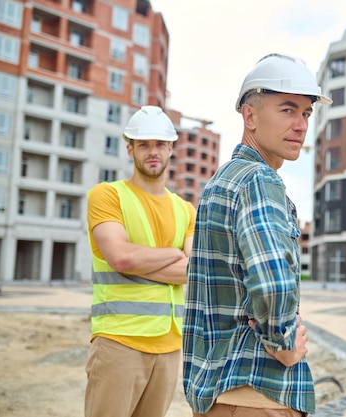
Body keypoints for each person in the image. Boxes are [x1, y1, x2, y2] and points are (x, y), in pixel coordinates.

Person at [182, 53, 332, 417]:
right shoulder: (258, 180)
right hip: (256, 389)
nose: (301, 124)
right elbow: (272, 281)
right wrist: (281, 343)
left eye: (306, 113)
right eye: (287, 110)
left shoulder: (223, 180)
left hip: (218, 389)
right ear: (249, 116)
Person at [85, 105, 196, 417]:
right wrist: (174, 254)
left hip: (170, 346)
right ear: (129, 148)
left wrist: (143, 260)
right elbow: (120, 257)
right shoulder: (107, 196)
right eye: (144, 144)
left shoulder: (185, 210)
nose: (152, 152)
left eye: (160, 144)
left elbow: (194, 270)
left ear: (171, 148)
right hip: (119, 342)